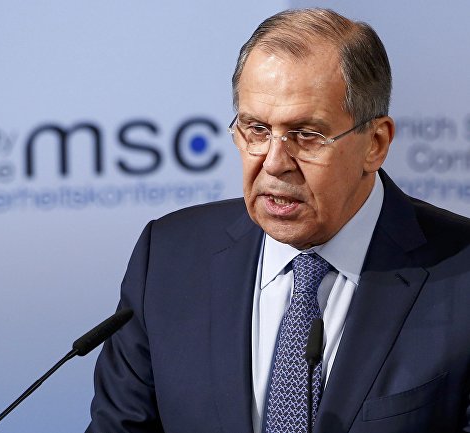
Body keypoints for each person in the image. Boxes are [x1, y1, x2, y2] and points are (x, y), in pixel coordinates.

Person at [85, 8, 470, 433]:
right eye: (256, 129)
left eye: (306, 135)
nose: (274, 163)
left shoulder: (462, 275)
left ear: (375, 144)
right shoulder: (168, 258)